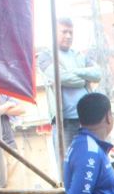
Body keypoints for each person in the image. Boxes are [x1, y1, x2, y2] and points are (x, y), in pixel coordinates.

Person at [37, 17, 101, 164]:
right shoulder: (45, 56)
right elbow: (61, 77)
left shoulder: (80, 55)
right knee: (67, 164)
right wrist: (84, 77)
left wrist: (72, 72)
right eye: (64, 32)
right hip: (63, 122)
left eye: (71, 32)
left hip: (87, 120)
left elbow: (97, 74)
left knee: (91, 161)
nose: (68, 36)